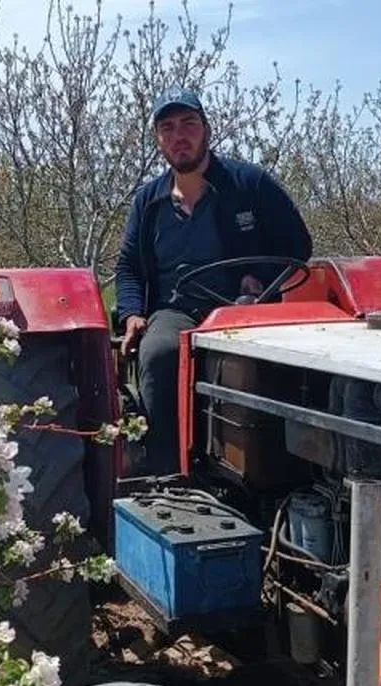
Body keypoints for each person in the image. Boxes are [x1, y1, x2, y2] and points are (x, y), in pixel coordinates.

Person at [114, 87, 313, 476]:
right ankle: (168, 473)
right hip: (176, 310)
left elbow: (298, 246)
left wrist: (264, 278)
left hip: (244, 310)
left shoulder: (249, 183)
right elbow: (128, 268)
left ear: (206, 129)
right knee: (158, 353)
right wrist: (132, 313)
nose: (179, 135)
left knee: (276, 362)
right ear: (158, 140)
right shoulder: (148, 202)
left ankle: (276, 470)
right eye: (168, 127)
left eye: (188, 123)